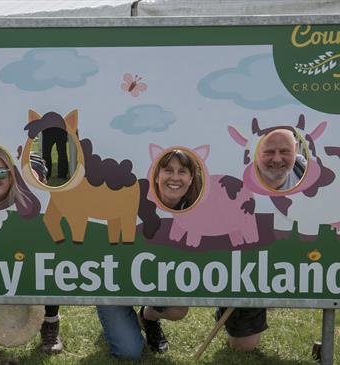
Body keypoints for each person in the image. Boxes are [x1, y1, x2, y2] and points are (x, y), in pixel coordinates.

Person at [97, 149, 202, 359]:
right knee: (129, 353)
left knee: (177, 308)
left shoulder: (196, 209)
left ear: (191, 178)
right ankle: (122, 318)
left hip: (158, 277)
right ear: (156, 174)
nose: (174, 177)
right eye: (168, 170)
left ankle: (147, 317)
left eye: (182, 171)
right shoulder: (133, 197)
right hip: (115, 282)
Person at [0, 145, 63, 353]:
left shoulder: (31, 191)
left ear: (12, 174)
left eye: (0, 171)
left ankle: (50, 322)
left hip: (26, 205)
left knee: (45, 254)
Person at [217, 128, 307, 352]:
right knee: (243, 347)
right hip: (250, 260)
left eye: (285, 151)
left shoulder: (305, 170)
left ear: (295, 150)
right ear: (257, 152)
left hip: (292, 254)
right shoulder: (238, 176)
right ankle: (226, 310)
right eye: (269, 152)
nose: (277, 159)